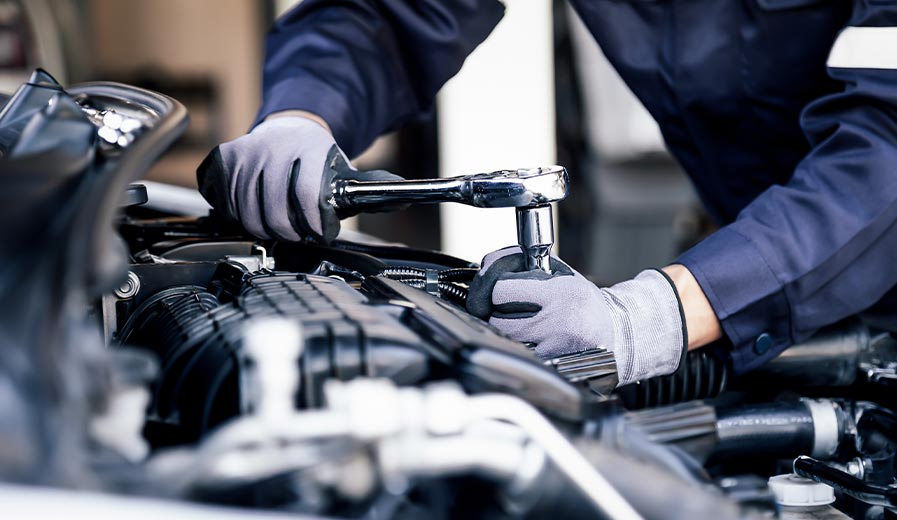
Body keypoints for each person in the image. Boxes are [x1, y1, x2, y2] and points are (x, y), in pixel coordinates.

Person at [197, 1, 897, 386]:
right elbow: (390, 13)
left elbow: (888, 149)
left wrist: (658, 316)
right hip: (771, 283)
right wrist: (303, 112)